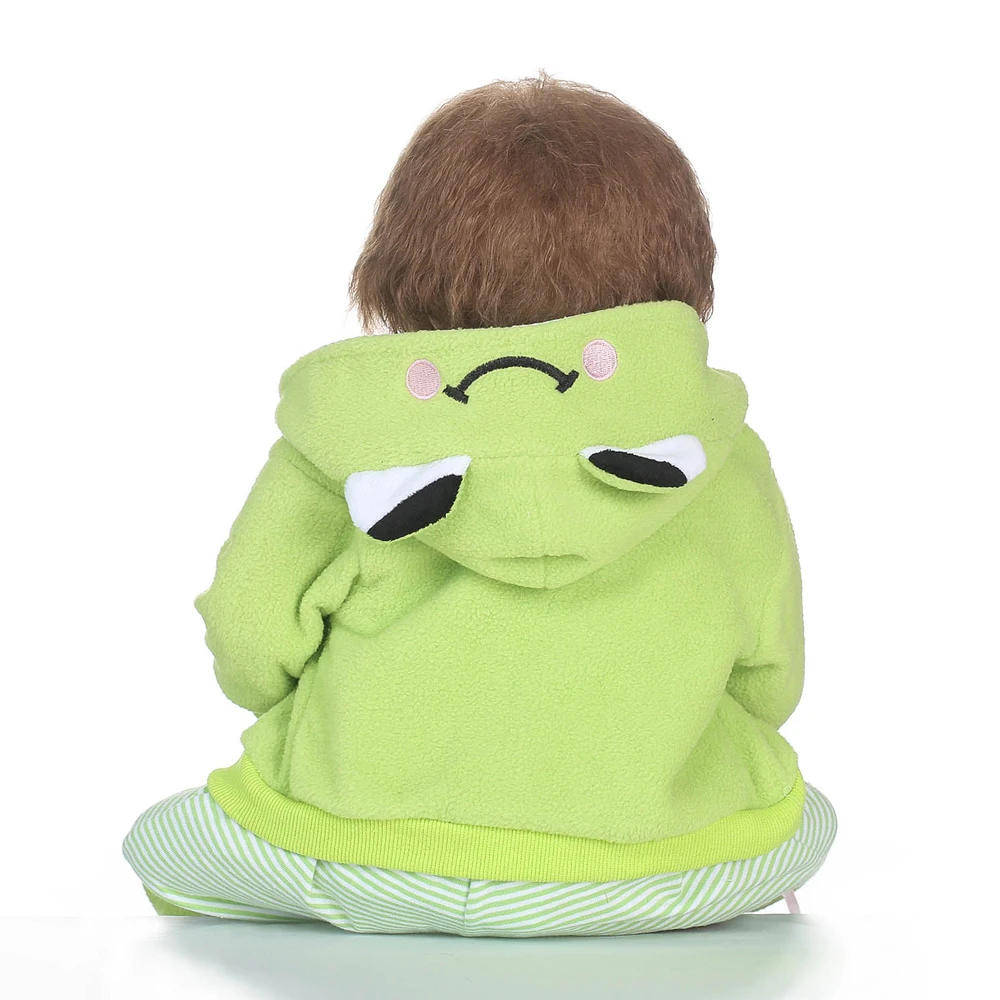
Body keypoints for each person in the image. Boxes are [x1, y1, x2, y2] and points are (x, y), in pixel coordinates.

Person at [123, 74, 835, 936]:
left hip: (361, 851)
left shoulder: (338, 441)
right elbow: (771, 677)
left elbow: (248, 637)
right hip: (659, 865)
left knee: (157, 845)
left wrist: (310, 725)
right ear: (689, 270)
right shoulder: (721, 449)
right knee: (805, 819)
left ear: (396, 261)